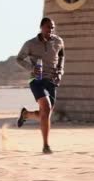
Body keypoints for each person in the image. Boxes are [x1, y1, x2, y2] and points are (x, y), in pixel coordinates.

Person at [15, 17, 65, 154]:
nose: (51, 30)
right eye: (48, 27)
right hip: (36, 80)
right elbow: (19, 59)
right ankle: (46, 146)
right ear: (41, 27)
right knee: (47, 107)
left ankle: (26, 114)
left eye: (52, 27)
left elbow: (61, 56)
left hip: (51, 81)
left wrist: (60, 72)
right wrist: (31, 68)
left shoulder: (58, 41)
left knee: (46, 113)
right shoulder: (30, 44)